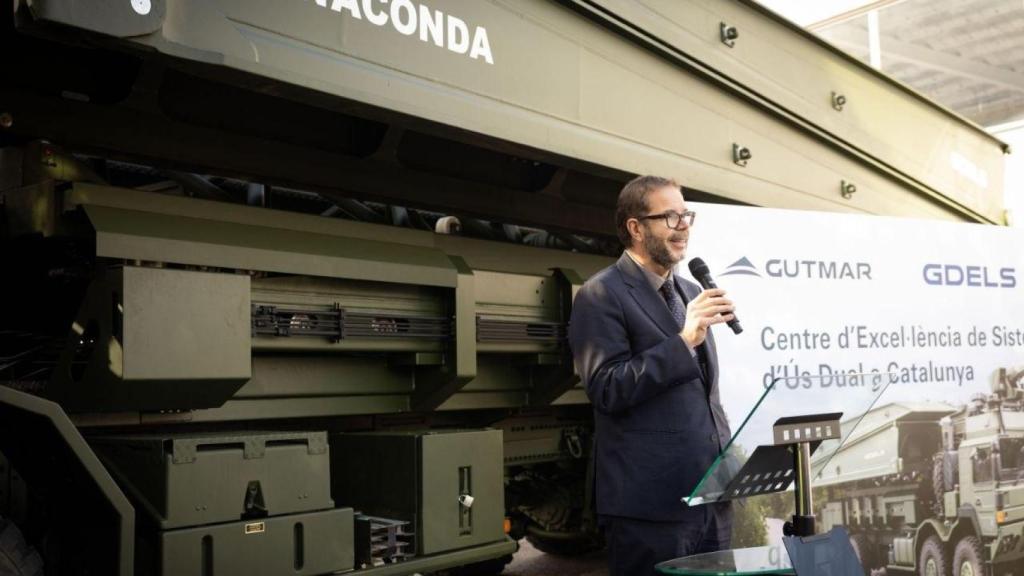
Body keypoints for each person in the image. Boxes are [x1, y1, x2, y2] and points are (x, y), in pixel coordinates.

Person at [568, 175, 736, 576]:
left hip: (711, 497)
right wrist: (683, 341)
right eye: (670, 216)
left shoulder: (689, 289)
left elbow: (701, 394)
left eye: (686, 215)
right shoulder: (600, 294)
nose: (683, 226)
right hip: (650, 509)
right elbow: (607, 388)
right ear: (635, 227)